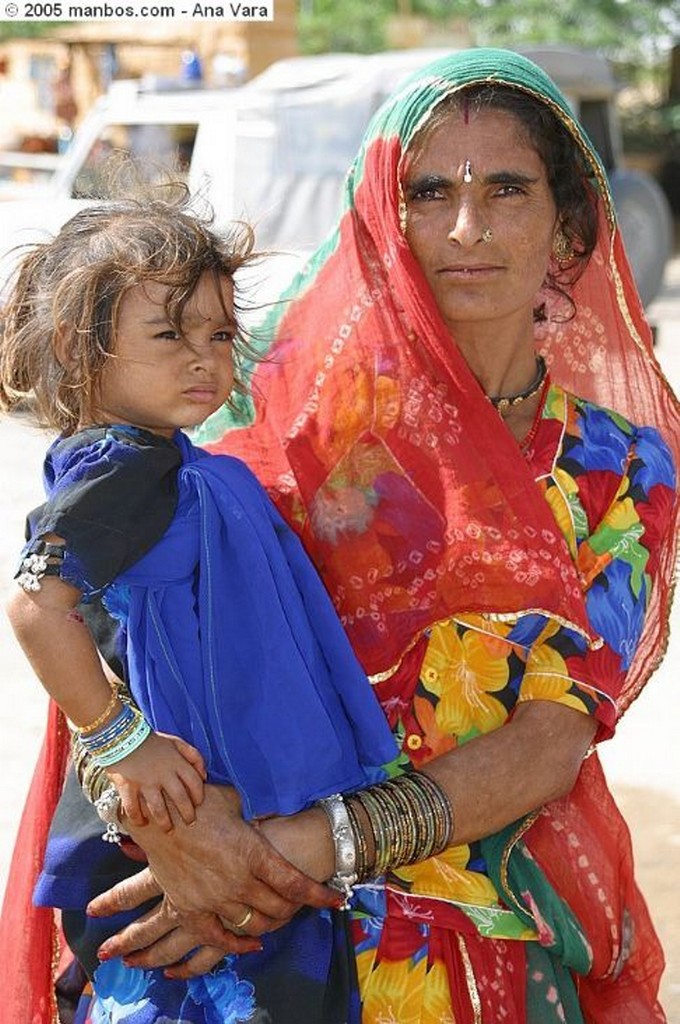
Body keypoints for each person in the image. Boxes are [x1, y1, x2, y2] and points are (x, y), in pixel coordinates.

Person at [3, 47, 679, 1023]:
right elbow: (123, 639)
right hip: (228, 926)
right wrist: (181, 840)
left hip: (480, 920)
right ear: (380, 215)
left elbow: (550, 738)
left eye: (504, 189)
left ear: (566, 221)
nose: (465, 226)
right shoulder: (292, 439)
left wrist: (283, 855)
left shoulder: (616, 466)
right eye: (428, 189)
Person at [0, 187, 398, 1022]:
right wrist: (123, 742)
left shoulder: (170, 462)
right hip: (185, 809)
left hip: (214, 804)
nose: (203, 360)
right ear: (82, 350)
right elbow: (36, 605)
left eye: (218, 334)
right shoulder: (126, 469)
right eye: (169, 334)